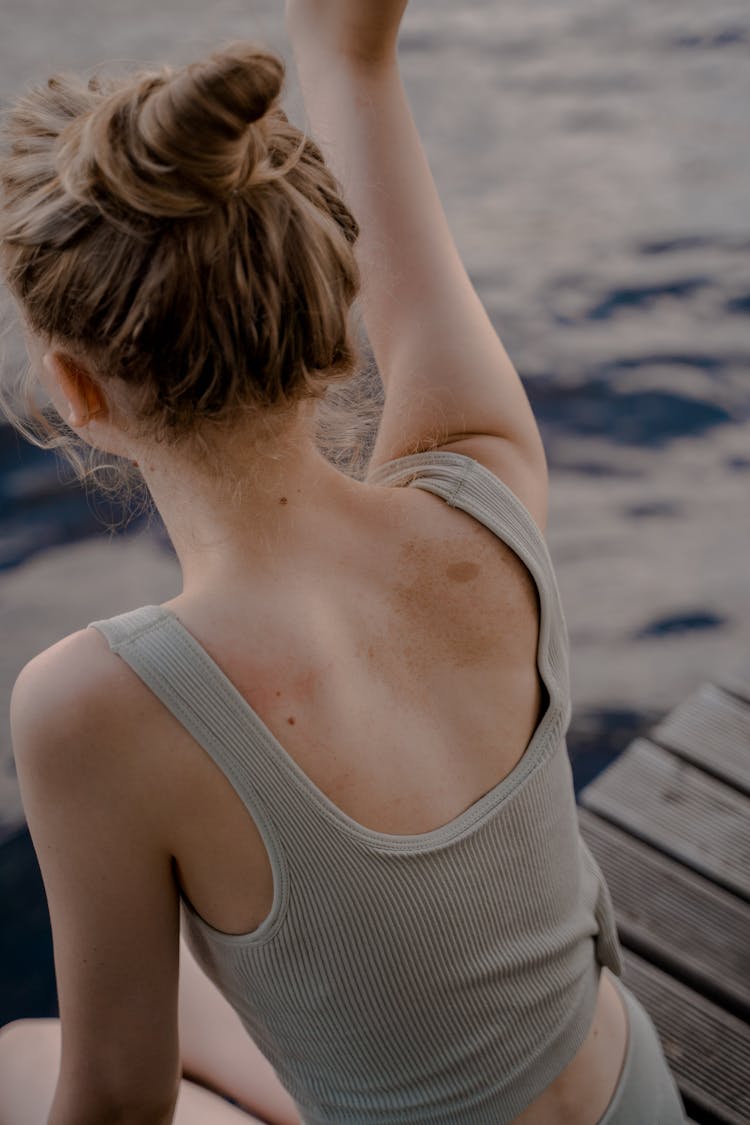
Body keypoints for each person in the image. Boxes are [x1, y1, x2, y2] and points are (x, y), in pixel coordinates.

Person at [0, 2, 687, 1122]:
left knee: (27, 1059)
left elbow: (121, 1101)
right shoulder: (487, 490)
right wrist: (344, 47)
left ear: (77, 392)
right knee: (188, 994)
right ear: (331, 311)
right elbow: (351, 49)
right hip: (634, 1097)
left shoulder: (91, 709)